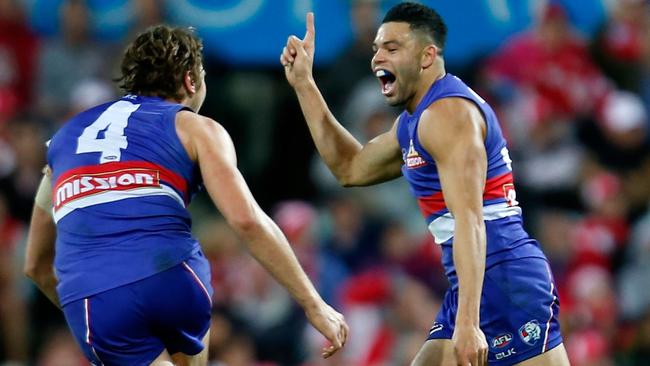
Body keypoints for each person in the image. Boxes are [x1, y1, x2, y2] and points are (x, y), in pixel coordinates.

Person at [24, 24, 348, 365]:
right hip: (174, 277)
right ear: (191, 81)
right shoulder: (196, 127)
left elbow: (35, 265)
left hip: (96, 295)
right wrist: (314, 303)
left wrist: (97, 304)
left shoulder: (63, 138)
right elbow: (245, 220)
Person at [281, 3, 570, 365]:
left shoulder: (449, 115)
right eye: (375, 49)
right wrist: (306, 85)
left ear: (427, 55)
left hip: (504, 278)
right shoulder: (414, 122)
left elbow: (471, 219)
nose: (377, 59)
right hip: (475, 282)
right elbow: (350, 168)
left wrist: (467, 322)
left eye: (392, 48)